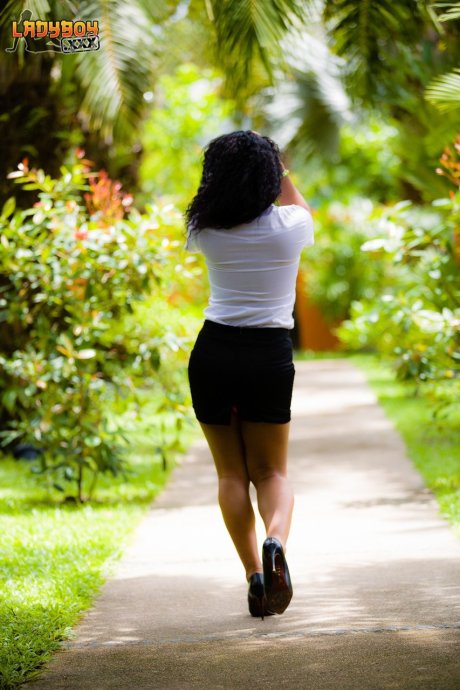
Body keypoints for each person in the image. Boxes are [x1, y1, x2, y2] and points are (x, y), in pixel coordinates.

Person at [185, 130, 314, 619]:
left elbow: (215, 203)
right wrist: (279, 168)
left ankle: (255, 578)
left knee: (231, 474)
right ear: (269, 175)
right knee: (271, 472)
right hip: (268, 354)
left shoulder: (204, 229)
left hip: (214, 351)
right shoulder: (290, 227)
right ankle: (275, 541)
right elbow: (300, 205)